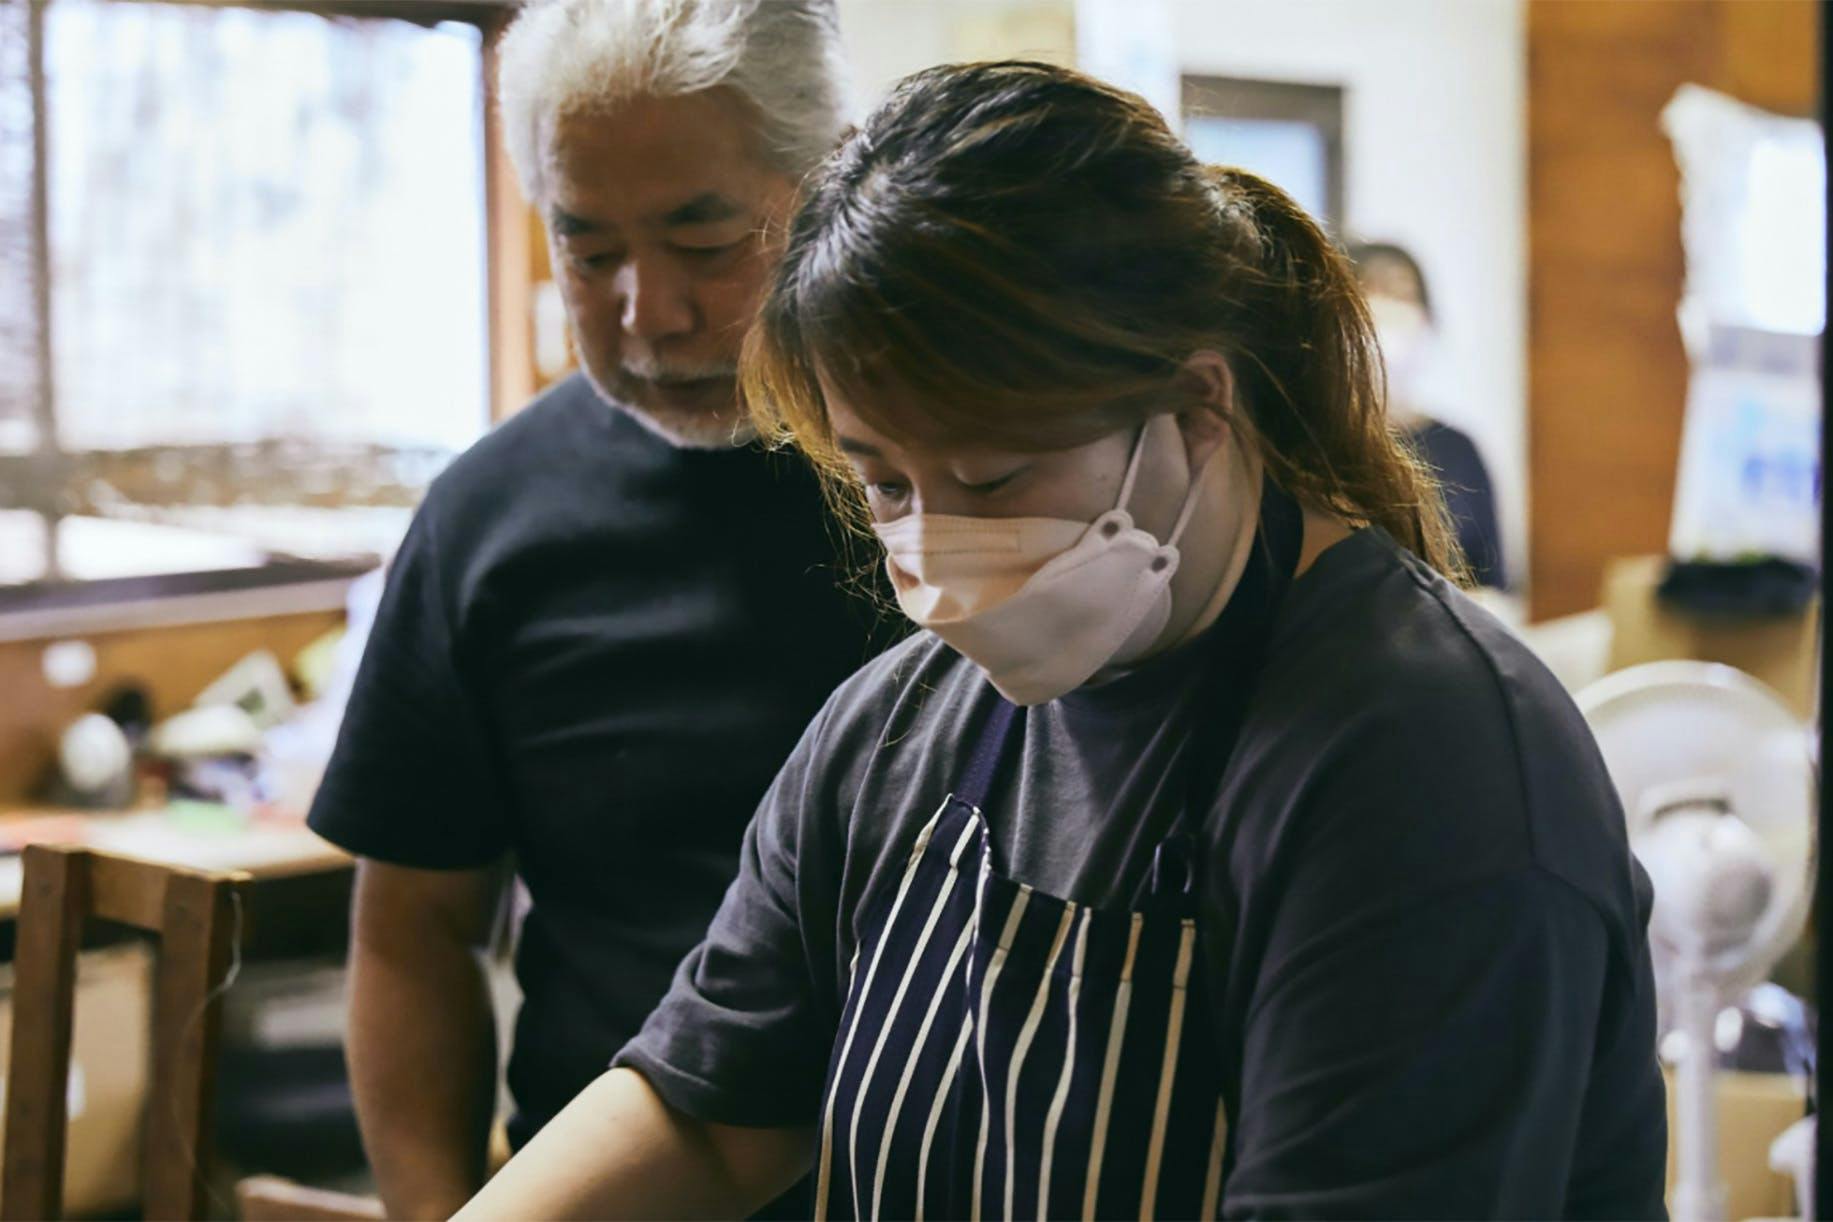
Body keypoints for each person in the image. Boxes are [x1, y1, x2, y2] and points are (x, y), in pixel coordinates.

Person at [459, 62, 1667, 1219]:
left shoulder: (1423, 763)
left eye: (992, 473)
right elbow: (714, 1117)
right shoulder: (897, 732)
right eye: (882, 483)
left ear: (1197, 406)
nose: (938, 548)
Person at [304, 2, 886, 1216]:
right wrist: (436, 1205)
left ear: (830, 178)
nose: (645, 313)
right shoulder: (487, 518)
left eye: (702, 236)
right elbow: (413, 929)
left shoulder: (960, 474)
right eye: (589, 246)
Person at [1351, 240, 1508, 590]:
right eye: (1371, 293)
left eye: (1403, 295)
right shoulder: (1323, 446)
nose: (1389, 311)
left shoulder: (1460, 450)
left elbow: (1495, 583)